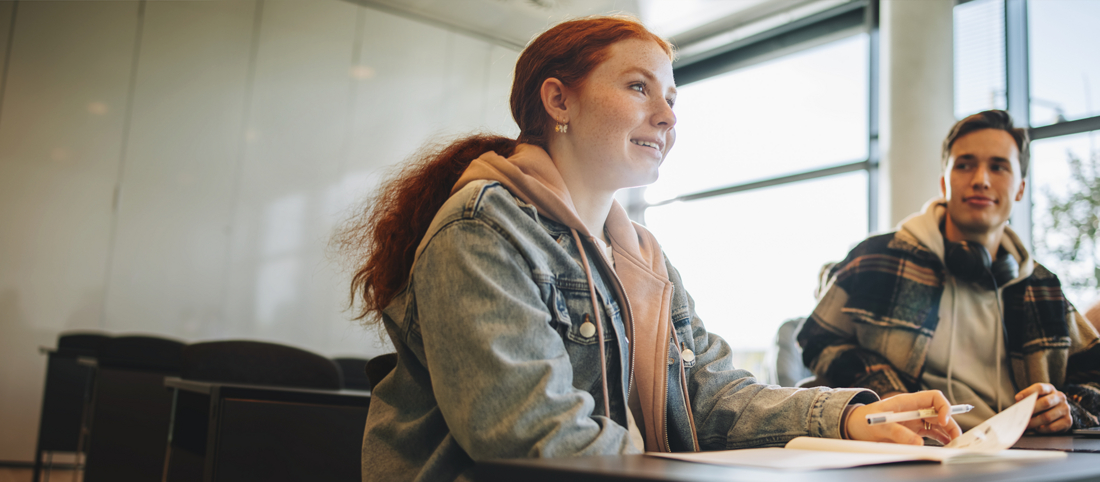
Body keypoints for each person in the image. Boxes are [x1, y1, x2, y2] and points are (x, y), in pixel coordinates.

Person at [340, 16, 959, 481]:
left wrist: (852, 419)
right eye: (640, 87)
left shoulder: (640, 256)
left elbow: (709, 393)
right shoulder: (481, 230)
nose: (667, 115)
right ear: (559, 101)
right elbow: (532, 439)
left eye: (671, 97)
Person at [798, 110, 1100, 433]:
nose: (981, 179)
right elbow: (817, 339)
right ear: (945, 182)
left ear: (1020, 189)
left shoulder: (1042, 286)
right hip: (911, 451)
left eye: (998, 166)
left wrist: (1069, 408)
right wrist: (886, 390)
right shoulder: (875, 258)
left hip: (1021, 454)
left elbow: (1094, 377)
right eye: (965, 164)